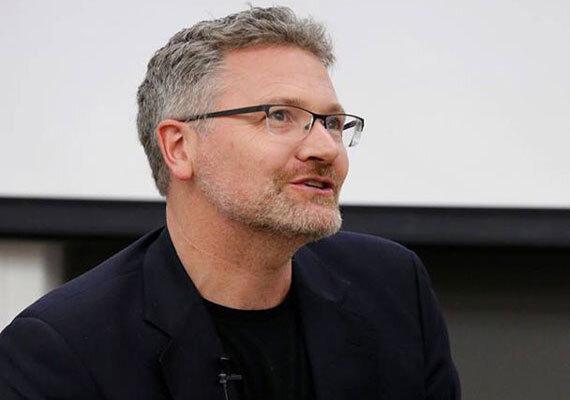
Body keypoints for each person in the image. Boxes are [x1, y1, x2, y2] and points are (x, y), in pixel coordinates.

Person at [0, 6, 460, 400]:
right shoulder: (61, 350)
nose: (325, 148)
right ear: (179, 147)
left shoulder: (392, 289)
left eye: (333, 123)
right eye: (279, 115)